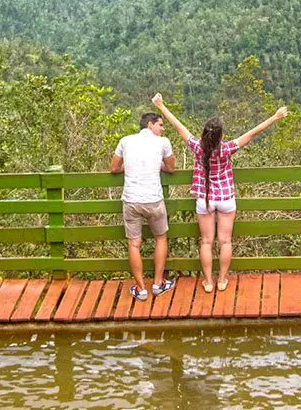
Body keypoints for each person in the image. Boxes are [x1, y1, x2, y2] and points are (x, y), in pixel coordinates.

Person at [153, 93, 288, 293]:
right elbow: (252, 133)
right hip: (225, 198)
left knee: (206, 241)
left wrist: (162, 106)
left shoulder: (197, 148)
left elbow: (179, 127)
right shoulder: (226, 149)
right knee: (225, 241)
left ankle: (208, 282)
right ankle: (223, 280)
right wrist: (275, 117)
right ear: (221, 136)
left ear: (203, 135)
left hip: (205, 200)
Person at [110, 111, 176, 301]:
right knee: (161, 239)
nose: (162, 129)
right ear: (150, 125)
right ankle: (157, 284)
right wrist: (158, 166)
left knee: (134, 244)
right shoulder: (163, 143)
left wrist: (127, 168)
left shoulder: (125, 140)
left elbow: (114, 168)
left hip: (131, 200)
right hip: (154, 200)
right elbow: (171, 168)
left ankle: (140, 289)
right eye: (160, 125)